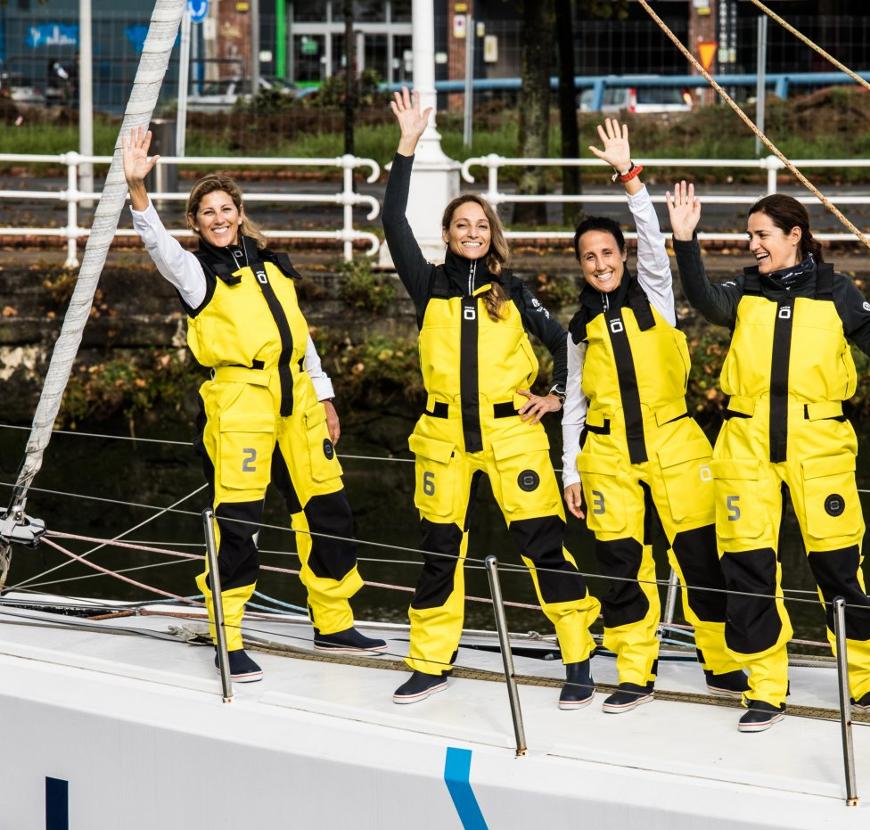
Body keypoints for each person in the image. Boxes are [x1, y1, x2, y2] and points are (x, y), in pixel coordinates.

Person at [122, 127, 386, 683]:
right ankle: (229, 634)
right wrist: (138, 191)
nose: (218, 218)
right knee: (239, 524)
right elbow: (158, 248)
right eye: (207, 212)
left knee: (329, 512)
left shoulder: (273, 265)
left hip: (299, 402)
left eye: (226, 208)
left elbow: (301, 335)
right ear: (196, 223)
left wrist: (326, 393)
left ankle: (333, 622)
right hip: (240, 402)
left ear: (240, 213)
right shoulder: (198, 275)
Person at [383, 89, 601, 708]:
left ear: (491, 235)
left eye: (481, 225)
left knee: (541, 547)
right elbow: (392, 222)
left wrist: (558, 396)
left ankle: (578, 655)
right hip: (445, 438)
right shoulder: (427, 287)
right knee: (438, 553)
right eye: (461, 225)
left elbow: (568, 346)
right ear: (448, 235)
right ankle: (430, 660)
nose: (472, 233)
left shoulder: (515, 291)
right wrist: (406, 147)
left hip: (514, 436)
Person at [666, 183, 870, 732]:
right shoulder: (746, 288)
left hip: (818, 441)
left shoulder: (837, 290)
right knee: (748, 567)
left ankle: (868, 677)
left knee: (838, 566)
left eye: (762, 235)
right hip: (745, 439)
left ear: (794, 235)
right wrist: (685, 240)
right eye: (749, 235)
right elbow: (705, 300)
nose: (753, 244)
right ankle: (765, 686)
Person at [561, 119, 748, 713]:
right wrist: (570, 471)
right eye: (589, 257)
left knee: (699, 558)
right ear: (582, 265)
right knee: (619, 565)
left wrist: (629, 176)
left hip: (675, 445)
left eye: (608, 252)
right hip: (607, 454)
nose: (600, 263)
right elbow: (572, 405)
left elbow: (650, 233)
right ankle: (634, 670)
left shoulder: (655, 297)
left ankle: (722, 663)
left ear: (622, 256)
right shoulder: (578, 329)